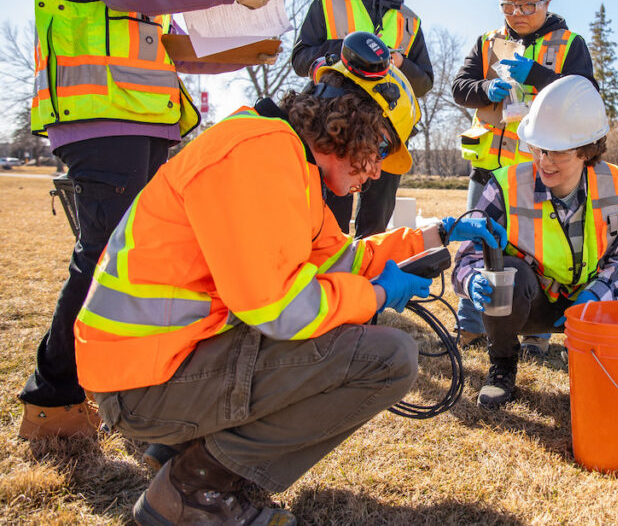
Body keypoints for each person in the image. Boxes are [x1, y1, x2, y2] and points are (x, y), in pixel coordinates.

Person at [73, 33, 505, 526]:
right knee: (388, 358)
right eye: (383, 149)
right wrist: (379, 295)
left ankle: (183, 448)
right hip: (142, 384)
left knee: (352, 332)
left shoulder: (284, 162)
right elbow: (278, 307)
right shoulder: (258, 156)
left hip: (158, 363)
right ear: (358, 125)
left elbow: (343, 260)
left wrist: (439, 233)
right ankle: (196, 489)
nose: (379, 170)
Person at [19, 0, 280, 440]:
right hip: (101, 123)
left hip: (141, 124)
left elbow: (170, 52)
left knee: (132, 261)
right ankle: (52, 400)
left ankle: (109, 384)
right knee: (103, 259)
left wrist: (251, 49)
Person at [452, 76, 618, 408]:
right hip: (530, 303)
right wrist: (472, 280)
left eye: (557, 152)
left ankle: (616, 366)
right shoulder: (506, 184)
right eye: (539, 148)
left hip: (593, 301)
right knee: (506, 277)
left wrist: (596, 295)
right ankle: (502, 365)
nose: (544, 161)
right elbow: (466, 258)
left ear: (586, 151)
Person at [451, 0, 595, 356]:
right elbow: (459, 86)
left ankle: (535, 332)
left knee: (537, 254)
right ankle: (471, 325)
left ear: (547, 1)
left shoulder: (570, 45)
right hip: (487, 170)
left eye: (528, 2)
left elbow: (586, 97)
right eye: (509, 2)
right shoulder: (487, 42)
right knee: (475, 244)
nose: (518, 11)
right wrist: (484, 90)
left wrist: (538, 76)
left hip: (539, 173)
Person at [291, 0, 432, 238]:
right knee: (328, 220)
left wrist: (399, 63)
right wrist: (344, 51)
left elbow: (425, 81)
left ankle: (365, 286)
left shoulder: (409, 20)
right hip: (333, 126)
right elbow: (300, 59)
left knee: (375, 222)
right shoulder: (329, 0)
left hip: (385, 133)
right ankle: (326, 282)